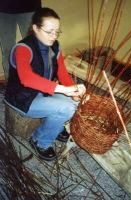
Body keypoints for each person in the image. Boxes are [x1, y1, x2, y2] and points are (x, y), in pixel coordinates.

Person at [4, 7, 86, 161]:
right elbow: (26, 78)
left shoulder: (55, 46)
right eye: (49, 31)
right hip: (22, 98)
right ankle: (40, 141)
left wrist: (73, 91)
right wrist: (64, 90)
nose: (54, 36)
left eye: (57, 31)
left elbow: (62, 73)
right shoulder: (23, 48)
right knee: (66, 107)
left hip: (42, 91)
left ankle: (57, 125)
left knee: (74, 103)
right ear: (35, 28)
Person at [0, 0, 42, 80]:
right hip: (3, 9)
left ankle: (37, 81)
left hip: (29, 7)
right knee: (7, 50)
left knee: (34, 47)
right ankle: (10, 83)